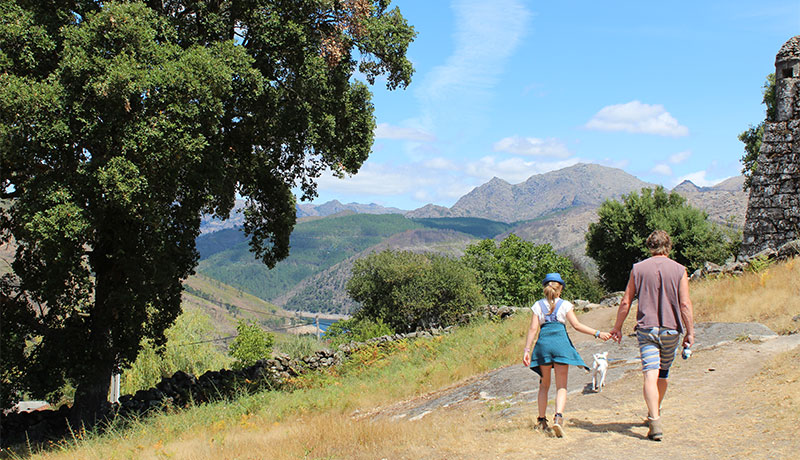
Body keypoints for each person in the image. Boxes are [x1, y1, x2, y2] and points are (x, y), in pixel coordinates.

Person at [609, 230, 695, 442]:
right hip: (670, 330)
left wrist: (617, 327)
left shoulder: (638, 269)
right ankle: (656, 410)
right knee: (663, 373)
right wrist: (690, 332)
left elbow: (626, 301)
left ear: (650, 246)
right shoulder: (679, 270)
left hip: (647, 330)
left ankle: (654, 419)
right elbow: (684, 304)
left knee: (649, 373)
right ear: (669, 246)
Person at [522, 272, 611, 437]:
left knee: (544, 385)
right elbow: (576, 325)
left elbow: (533, 329)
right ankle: (558, 418)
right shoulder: (565, 305)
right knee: (561, 385)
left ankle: (541, 420)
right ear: (560, 289)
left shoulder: (537, 305)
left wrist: (527, 350)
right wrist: (598, 333)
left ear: (545, 288)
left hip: (544, 347)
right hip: (561, 346)